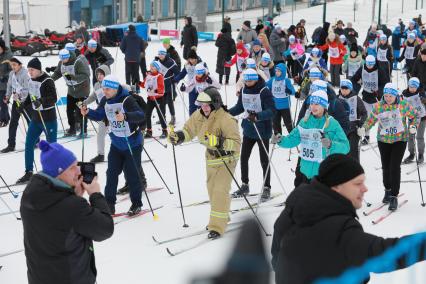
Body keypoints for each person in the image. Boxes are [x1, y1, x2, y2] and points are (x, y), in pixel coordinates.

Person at [271, 153, 426, 284]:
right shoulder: (338, 228)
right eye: (357, 183)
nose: (365, 189)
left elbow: (276, 259)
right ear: (336, 186)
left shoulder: (293, 209)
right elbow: (384, 255)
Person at [20, 140, 114, 284]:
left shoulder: (30, 195)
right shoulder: (73, 207)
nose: (78, 171)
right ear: (57, 173)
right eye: (71, 168)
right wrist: (95, 194)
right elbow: (105, 228)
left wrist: (72, 195)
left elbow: (57, 220)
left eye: (77, 165)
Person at [168, 87, 241, 239]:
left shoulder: (226, 119)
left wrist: (219, 142)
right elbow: (189, 131)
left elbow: (236, 144)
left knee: (220, 191)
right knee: (212, 191)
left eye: (207, 104)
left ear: (215, 103)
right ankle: (222, 217)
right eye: (201, 104)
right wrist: (179, 137)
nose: (204, 108)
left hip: (227, 160)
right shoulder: (198, 116)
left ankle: (216, 226)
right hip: (211, 158)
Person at [81, 75, 145, 215]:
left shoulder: (127, 99)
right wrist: (88, 112)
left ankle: (136, 203)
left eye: (108, 89)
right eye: (103, 88)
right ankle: (109, 204)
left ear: (115, 88)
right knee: (111, 173)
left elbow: (141, 115)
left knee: (132, 174)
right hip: (116, 144)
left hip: (132, 144)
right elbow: (99, 115)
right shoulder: (105, 100)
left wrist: (126, 116)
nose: (105, 91)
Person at [361, 83, 418, 210]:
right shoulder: (379, 106)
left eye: (390, 96)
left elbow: (415, 115)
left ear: (395, 95)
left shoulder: (402, 105)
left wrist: (413, 126)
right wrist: (364, 129)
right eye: (386, 96)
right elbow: (371, 120)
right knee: (386, 167)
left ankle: (394, 196)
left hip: (399, 140)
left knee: (394, 167)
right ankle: (387, 189)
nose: (388, 98)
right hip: (383, 140)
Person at [273, 90, 349, 185]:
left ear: (324, 105)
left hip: (324, 173)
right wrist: (280, 139)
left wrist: (331, 145)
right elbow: (292, 139)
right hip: (305, 172)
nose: (313, 106)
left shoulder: (332, 124)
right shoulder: (304, 122)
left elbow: (345, 147)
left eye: (317, 104)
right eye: (311, 103)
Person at [228, 69, 275, 201]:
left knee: (264, 160)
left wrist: (258, 116)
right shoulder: (243, 90)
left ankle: (267, 187)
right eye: (245, 80)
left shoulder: (264, 91)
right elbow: (240, 107)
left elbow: (272, 110)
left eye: (250, 80)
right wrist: (226, 112)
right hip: (249, 129)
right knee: (243, 158)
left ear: (255, 79)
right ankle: (245, 185)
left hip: (262, 130)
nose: (247, 83)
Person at [16, 58, 58, 184]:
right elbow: (30, 95)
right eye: (28, 70)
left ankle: (53, 171)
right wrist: (23, 104)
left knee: (52, 146)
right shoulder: (31, 80)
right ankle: (29, 171)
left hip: (48, 119)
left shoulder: (47, 81)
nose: (30, 72)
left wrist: (42, 101)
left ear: (39, 69)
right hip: (36, 119)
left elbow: (53, 98)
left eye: (32, 70)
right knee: (29, 144)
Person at [51, 49, 91, 137]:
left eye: (64, 58)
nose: (63, 61)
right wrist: (50, 80)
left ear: (68, 56)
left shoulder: (78, 62)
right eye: (61, 58)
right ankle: (72, 129)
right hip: (71, 91)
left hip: (82, 90)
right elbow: (58, 73)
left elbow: (85, 75)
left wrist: (72, 77)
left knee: (80, 111)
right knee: (69, 111)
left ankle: (83, 130)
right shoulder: (61, 63)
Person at [351, 55, 388, 145]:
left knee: (381, 117)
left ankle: (384, 136)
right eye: (368, 64)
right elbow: (354, 79)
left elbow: (385, 83)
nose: (369, 66)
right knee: (367, 118)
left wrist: (378, 91)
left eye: (371, 65)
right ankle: (366, 137)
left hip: (377, 98)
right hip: (366, 97)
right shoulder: (362, 68)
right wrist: (355, 89)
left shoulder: (380, 70)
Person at [1, 58, 31, 153]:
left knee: (30, 122)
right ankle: (11, 145)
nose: (13, 67)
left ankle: (35, 140)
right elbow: (9, 86)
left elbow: (27, 89)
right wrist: (7, 96)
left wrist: (20, 97)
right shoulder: (11, 74)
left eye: (14, 65)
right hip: (16, 101)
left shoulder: (25, 74)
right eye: (11, 65)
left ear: (20, 65)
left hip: (26, 102)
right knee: (13, 122)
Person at [82, 65, 111, 163]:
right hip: (102, 113)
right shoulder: (97, 85)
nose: (99, 76)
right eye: (97, 74)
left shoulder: (111, 84)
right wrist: (85, 102)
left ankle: (128, 152)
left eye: (101, 74)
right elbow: (94, 96)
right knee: (100, 135)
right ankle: (100, 155)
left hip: (112, 113)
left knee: (117, 135)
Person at [337, 79, 367, 161]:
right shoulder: (337, 99)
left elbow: (364, 113)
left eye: (346, 88)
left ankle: (356, 171)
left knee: (352, 151)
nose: (344, 90)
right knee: (342, 151)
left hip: (353, 129)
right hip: (340, 130)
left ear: (350, 89)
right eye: (342, 88)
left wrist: (361, 124)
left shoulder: (356, 98)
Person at [402, 77, 426, 164]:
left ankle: (421, 154)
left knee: (419, 137)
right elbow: (403, 107)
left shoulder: (421, 93)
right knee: (410, 136)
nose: (412, 89)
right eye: (411, 87)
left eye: (414, 87)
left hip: (422, 118)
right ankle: (412, 154)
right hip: (412, 118)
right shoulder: (404, 94)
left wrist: (424, 100)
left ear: (418, 87)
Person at [139, 61, 167, 139]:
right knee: (147, 114)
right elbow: (144, 85)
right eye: (151, 66)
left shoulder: (159, 76)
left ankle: (165, 130)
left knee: (161, 115)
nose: (151, 68)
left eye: (153, 66)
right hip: (150, 99)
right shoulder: (148, 75)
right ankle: (149, 131)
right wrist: (138, 82)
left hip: (159, 99)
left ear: (157, 68)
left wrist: (154, 91)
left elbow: (161, 90)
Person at [174, 49, 206, 115]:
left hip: (202, 88)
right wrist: (175, 79)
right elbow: (182, 74)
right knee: (192, 108)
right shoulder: (187, 65)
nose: (191, 61)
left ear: (196, 58)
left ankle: (203, 122)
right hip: (192, 89)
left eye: (193, 59)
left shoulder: (202, 64)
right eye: (190, 59)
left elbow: (207, 74)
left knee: (202, 107)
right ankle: (192, 122)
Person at [267, 63, 295, 135]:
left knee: (288, 123)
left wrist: (289, 91)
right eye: (276, 71)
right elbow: (265, 86)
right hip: (275, 106)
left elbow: (293, 91)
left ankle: (293, 136)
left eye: (279, 71)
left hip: (285, 106)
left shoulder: (286, 80)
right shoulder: (272, 79)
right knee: (275, 123)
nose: (277, 72)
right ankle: (278, 137)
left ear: (283, 71)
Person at [155, 47, 180, 126]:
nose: (161, 56)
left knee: (170, 102)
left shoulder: (171, 62)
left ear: (165, 54)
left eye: (162, 54)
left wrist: (175, 80)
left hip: (169, 85)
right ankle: (162, 117)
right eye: (159, 54)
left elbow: (178, 73)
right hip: (160, 86)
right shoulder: (156, 62)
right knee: (161, 102)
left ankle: (173, 117)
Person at [120, 24, 145, 93]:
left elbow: (122, 47)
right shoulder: (139, 38)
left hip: (128, 59)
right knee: (136, 74)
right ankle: (137, 88)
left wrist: (126, 52)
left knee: (128, 74)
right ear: (135, 30)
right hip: (137, 59)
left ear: (129, 30)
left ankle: (129, 89)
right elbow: (142, 48)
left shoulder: (125, 38)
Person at [0, 38, 12, 127]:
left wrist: (5, 76)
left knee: (3, 102)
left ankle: (4, 119)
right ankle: (6, 117)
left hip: (5, 84)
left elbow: (13, 70)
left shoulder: (8, 56)